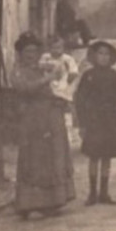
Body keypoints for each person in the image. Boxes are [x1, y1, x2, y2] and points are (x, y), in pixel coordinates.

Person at [11, 31, 75, 220]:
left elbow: (57, 86)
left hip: (50, 115)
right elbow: (24, 88)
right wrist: (47, 79)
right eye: (27, 51)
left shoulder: (43, 68)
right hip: (33, 119)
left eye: (34, 51)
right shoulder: (18, 70)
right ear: (21, 53)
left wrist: (60, 98)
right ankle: (29, 202)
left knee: (52, 155)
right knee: (34, 157)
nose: (31, 55)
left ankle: (52, 200)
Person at [74, 40, 116, 206]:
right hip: (94, 121)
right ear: (93, 56)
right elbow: (80, 100)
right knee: (94, 156)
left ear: (111, 57)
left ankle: (104, 193)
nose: (103, 57)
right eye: (100, 53)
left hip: (111, 120)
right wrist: (82, 124)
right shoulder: (88, 76)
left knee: (107, 157)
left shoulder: (115, 75)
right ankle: (92, 193)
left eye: (107, 54)